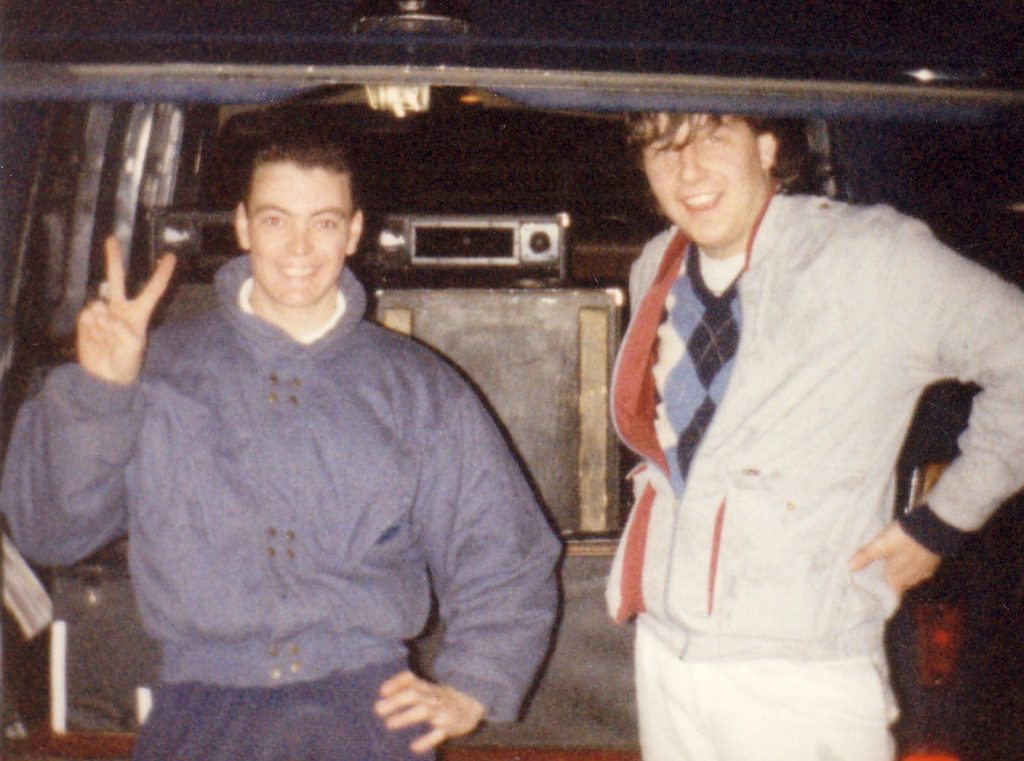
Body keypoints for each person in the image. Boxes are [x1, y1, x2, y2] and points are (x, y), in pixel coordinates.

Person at [0, 141, 561, 760]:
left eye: (323, 223)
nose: (300, 249)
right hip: (199, 707)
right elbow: (49, 534)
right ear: (242, 225)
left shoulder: (417, 387)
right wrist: (100, 393)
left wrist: (473, 686)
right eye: (275, 220)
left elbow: (505, 552)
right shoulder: (155, 369)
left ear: (353, 232)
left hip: (367, 712)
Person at [604, 112, 1024, 760]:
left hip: (800, 671)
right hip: (667, 653)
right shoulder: (654, 265)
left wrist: (944, 520)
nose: (688, 170)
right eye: (663, 146)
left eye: (714, 138)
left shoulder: (869, 257)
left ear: (768, 149)